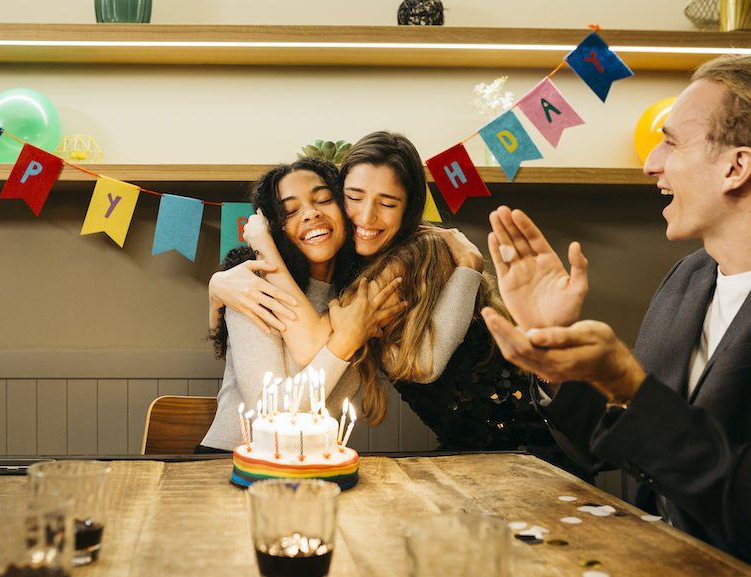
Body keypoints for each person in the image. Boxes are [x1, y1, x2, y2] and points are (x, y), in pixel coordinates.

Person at [481, 55, 751, 560]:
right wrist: (557, 352)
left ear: (736, 167)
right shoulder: (688, 279)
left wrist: (628, 382)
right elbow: (617, 448)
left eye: (670, 142)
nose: (651, 162)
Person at [208, 131, 485, 422]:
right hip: (232, 458)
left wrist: (469, 266)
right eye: (354, 197)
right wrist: (220, 288)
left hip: (316, 462)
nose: (366, 217)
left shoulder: (380, 278)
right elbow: (266, 406)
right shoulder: (252, 284)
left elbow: (422, 365)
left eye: (388, 204)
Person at [336, 232, 591, 477]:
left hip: (541, 460)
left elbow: (425, 367)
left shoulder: (470, 328)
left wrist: (470, 263)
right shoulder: (387, 339)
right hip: (468, 459)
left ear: (421, 295)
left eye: (388, 285)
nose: (371, 296)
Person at [198, 157, 400, 453]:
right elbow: (272, 413)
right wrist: (345, 342)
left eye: (323, 199)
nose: (310, 214)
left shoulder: (364, 294)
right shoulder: (251, 286)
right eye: (290, 211)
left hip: (312, 466)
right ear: (273, 229)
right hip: (227, 463)